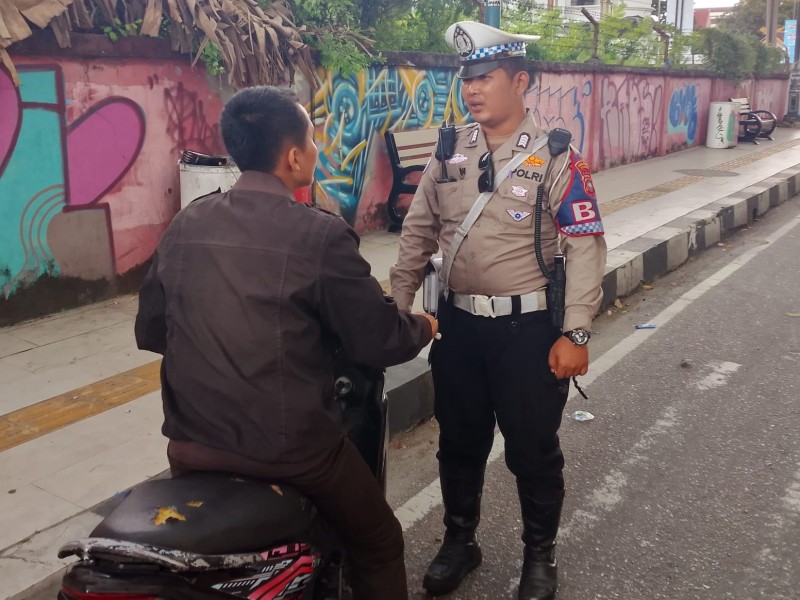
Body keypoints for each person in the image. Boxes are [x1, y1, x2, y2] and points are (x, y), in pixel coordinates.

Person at [135, 86, 437, 600]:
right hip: (291, 452)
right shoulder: (320, 234)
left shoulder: (187, 223)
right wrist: (424, 326)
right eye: (313, 142)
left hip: (190, 445)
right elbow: (377, 338)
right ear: (294, 155)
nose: (317, 152)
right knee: (380, 540)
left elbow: (153, 331)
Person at [389, 21, 607, 600]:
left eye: (485, 77)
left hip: (528, 331)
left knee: (533, 449)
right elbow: (417, 236)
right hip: (458, 328)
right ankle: (460, 541)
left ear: (520, 80)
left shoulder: (557, 155)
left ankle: (541, 555)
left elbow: (584, 246)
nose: (474, 90)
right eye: (468, 79)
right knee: (458, 442)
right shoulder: (448, 150)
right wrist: (395, 308)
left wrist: (577, 332)